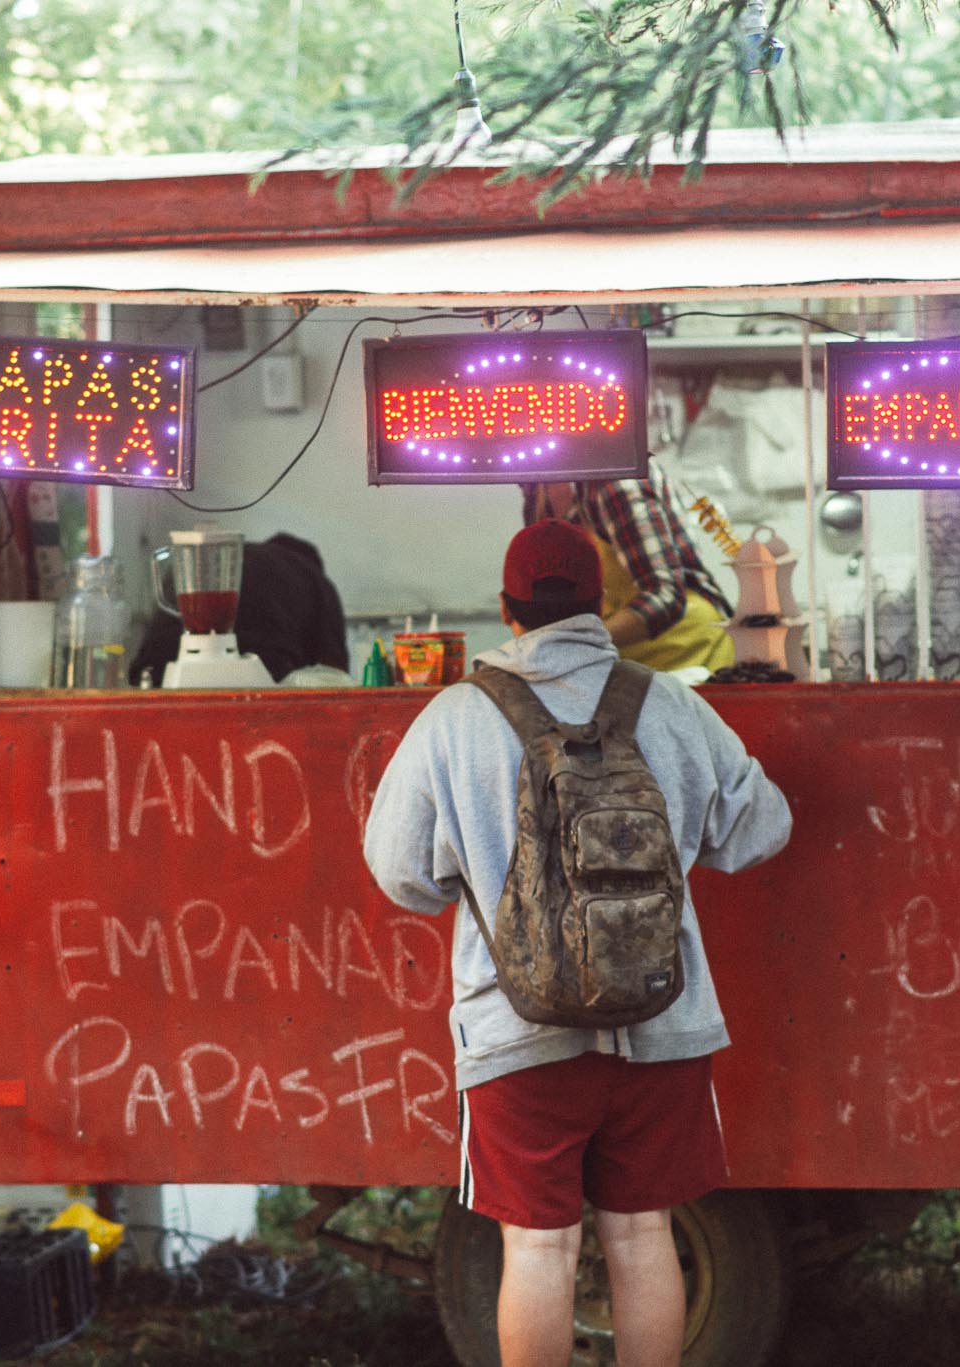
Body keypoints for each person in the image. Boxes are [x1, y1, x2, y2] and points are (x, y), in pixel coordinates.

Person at [361, 519, 791, 1367]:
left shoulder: (454, 716)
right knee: (641, 1238)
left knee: (539, 1249)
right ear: (602, 604)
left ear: (507, 609)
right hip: (662, 1023)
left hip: (518, 1032)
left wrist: (482, 877)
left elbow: (398, 871)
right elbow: (762, 827)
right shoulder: (668, 701)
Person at [523, 463, 735, 673]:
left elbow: (665, 596)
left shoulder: (615, 476)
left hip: (686, 646)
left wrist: (577, 644)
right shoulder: (536, 487)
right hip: (617, 654)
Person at [131, 531, 347, 685]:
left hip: (159, 661)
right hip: (264, 669)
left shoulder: (235, 557)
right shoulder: (315, 578)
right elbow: (334, 672)